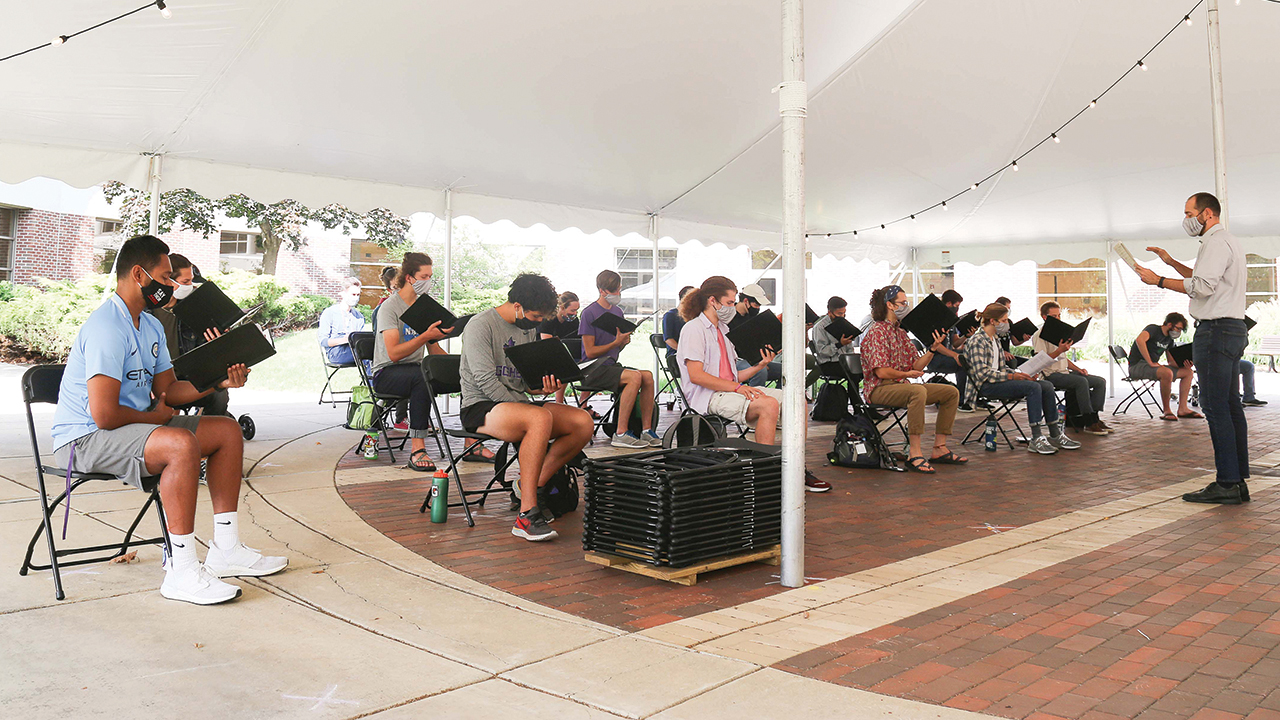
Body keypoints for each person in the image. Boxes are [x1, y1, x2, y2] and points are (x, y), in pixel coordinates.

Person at [51, 235, 286, 605]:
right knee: (179, 443)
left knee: (225, 430)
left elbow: (170, 390)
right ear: (138, 274)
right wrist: (154, 418)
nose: (172, 286)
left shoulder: (150, 326)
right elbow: (104, 415)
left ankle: (225, 549)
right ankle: (181, 570)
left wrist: (218, 382)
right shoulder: (106, 328)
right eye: (165, 277)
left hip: (134, 428)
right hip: (84, 440)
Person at [460, 274, 594, 541]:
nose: (537, 323)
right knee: (539, 418)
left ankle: (531, 485)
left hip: (518, 405)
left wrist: (539, 387)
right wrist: (526, 408)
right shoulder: (480, 325)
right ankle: (526, 514)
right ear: (518, 305)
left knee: (582, 421)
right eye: (535, 317)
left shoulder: (527, 328)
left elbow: (522, 381)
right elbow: (485, 380)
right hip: (481, 405)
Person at [1136, 192, 1250, 504]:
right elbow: (1206, 279)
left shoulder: (1214, 242)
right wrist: (1171, 263)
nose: (1186, 219)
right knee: (1229, 404)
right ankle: (1238, 480)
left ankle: (1227, 482)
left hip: (1215, 331)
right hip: (1232, 328)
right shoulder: (1228, 241)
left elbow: (1202, 287)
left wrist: (1158, 280)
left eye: (1189, 213)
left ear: (1207, 213)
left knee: (1214, 407)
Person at [675, 276, 830, 492]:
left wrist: (760, 365)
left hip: (726, 390)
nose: (732, 307)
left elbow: (733, 376)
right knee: (768, 404)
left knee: (797, 400)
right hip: (706, 396)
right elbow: (697, 376)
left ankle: (796, 466)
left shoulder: (723, 330)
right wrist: (738, 388)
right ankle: (763, 476)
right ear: (713, 301)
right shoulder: (693, 329)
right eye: (729, 303)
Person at [860, 286, 966, 473]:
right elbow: (882, 372)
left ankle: (939, 448)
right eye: (903, 303)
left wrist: (933, 348)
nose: (906, 306)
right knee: (917, 391)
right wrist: (906, 375)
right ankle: (914, 453)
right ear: (889, 305)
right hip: (879, 389)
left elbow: (916, 366)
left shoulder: (900, 332)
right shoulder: (877, 331)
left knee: (950, 392)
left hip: (900, 386)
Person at [963, 303, 1081, 455]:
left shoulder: (995, 340)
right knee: (1033, 388)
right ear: (993, 321)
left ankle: (1055, 434)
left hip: (998, 380)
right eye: (1004, 320)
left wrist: (1022, 374)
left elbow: (1001, 368)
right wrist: (1013, 376)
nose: (1007, 324)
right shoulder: (977, 341)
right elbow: (982, 374)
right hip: (985, 386)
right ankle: (1036, 437)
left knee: (1045, 385)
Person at [372, 252, 451, 471]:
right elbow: (394, 354)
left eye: (430, 276)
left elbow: (434, 350)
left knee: (464, 373)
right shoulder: (390, 307)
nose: (428, 281)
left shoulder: (424, 306)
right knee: (421, 375)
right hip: (387, 373)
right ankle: (417, 449)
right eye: (424, 276)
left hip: (416, 371)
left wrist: (460, 366)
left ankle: (472, 444)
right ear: (409, 278)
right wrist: (424, 336)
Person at [579, 270, 660, 448]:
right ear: (602, 290)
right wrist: (615, 342)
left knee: (647, 375)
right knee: (634, 377)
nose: (617, 294)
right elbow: (590, 352)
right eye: (614, 291)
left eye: (619, 289)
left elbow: (616, 349)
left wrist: (623, 342)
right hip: (592, 368)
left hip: (610, 366)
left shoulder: (617, 312)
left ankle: (646, 430)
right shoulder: (589, 313)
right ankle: (621, 432)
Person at [146, 254, 232, 418]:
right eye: (185, 282)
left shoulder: (194, 310)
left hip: (186, 377)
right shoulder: (146, 313)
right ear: (168, 280)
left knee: (219, 395)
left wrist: (217, 344)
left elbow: (203, 353)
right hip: (156, 380)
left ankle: (210, 431)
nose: (191, 286)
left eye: (191, 281)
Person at [1032, 301, 1111, 435]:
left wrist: (1078, 369)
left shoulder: (1059, 333)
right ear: (1045, 317)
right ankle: (1088, 421)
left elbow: (1063, 359)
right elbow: (1040, 361)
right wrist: (1059, 350)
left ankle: (1095, 417)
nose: (1057, 319)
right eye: (1054, 316)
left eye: (1059, 315)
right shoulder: (1039, 335)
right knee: (1081, 382)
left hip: (1065, 372)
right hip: (1051, 375)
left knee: (1099, 381)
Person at [1126, 312, 1196, 422]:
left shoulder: (1169, 340)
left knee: (1188, 373)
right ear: (1169, 324)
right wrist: (1150, 362)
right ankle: (1167, 410)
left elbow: (1171, 361)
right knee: (1166, 372)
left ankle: (1183, 409)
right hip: (1137, 366)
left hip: (1152, 367)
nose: (1178, 332)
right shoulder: (1153, 329)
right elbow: (1140, 340)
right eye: (1178, 328)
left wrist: (1184, 364)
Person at [728, 282, 783, 387]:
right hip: (736, 360)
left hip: (755, 359)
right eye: (756, 305)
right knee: (760, 372)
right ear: (746, 301)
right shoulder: (729, 317)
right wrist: (759, 364)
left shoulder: (752, 317)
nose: (758, 308)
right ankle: (756, 400)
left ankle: (780, 398)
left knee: (785, 370)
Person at [929, 289, 973, 410]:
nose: (957, 309)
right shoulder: (936, 320)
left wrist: (966, 336)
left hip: (947, 355)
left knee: (971, 357)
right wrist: (954, 355)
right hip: (935, 359)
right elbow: (936, 346)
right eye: (956, 305)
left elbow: (955, 343)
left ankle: (974, 396)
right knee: (962, 363)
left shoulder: (951, 320)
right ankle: (961, 399)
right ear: (949, 303)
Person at [539, 291, 581, 406]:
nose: (575, 313)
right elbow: (547, 345)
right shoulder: (548, 320)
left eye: (577, 310)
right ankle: (560, 403)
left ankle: (584, 404)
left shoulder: (574, 322)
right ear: (562, 308)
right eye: (572, 310)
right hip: (544, 356)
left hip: (567, 355)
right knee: (563, 367)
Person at [318, 278, 367, 366]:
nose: (355, 298)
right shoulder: (330, 313)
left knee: (372, 353)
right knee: (368, 354)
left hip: (355, 350)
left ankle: (372, 379)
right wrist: (344, 340)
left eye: (358, 295)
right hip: (336, 353)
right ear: (343, 293)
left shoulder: (359, 316)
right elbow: (323, 341)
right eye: (353, 294)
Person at [811, 296, 856, 373]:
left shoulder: (843, 324)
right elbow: (822, 352)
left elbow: (849, 349)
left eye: (844, 313)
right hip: (828, 364)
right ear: (830, 313)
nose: (842, 316)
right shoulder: (819, 327)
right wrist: (839, 344)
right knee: (853, 373)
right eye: (839, 313)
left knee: (863, 368)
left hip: (844, 361)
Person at [662, 286, 696, 357]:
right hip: (675, 354)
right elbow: (668, 339)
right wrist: (682, 351)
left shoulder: (695, 316)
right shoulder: (670, 315)